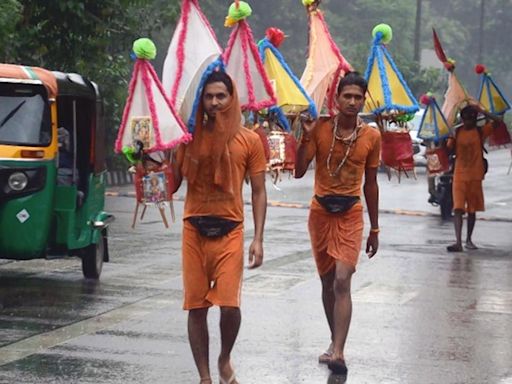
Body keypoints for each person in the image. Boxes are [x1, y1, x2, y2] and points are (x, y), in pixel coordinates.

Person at [172, 70, 267, 384]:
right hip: (193, 230)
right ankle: (204, 377)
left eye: (220, 96)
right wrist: (160, 154)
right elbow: (171, 186)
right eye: (208, 96)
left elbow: (257, 190)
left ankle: (225, 357)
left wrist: (258, 238)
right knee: (196, 307)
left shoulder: (248, 140)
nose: (214, 102)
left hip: (230, 231)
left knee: (229, 305)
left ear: (232, 98)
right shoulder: (188, 136)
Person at [295, 71, 381, 375]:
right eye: (348, 96)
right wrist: (305, 135)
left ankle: (340, 352)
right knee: (327, 282)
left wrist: (375, 227)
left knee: (343, 280)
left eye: (358, 97)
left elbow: (371, 183)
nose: (353, 102)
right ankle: (334, 341)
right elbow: (298, 171)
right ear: (337, 98)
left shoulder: (371, 136)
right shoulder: (319, 129)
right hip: (320, 213)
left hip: (350, 214)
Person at [445, 103, 501, 252]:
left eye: (470, 120)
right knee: (457, 208)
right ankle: (458, 242)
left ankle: (469, 239)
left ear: (475, 120)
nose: (467, 123)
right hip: (459, 175)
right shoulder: (457, 132)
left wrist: (483, 111)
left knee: (472, 209)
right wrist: (448, 134)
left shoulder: (480, 131)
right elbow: (448, 148)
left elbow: (498, 121)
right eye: (464, 120)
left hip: (475, 175)